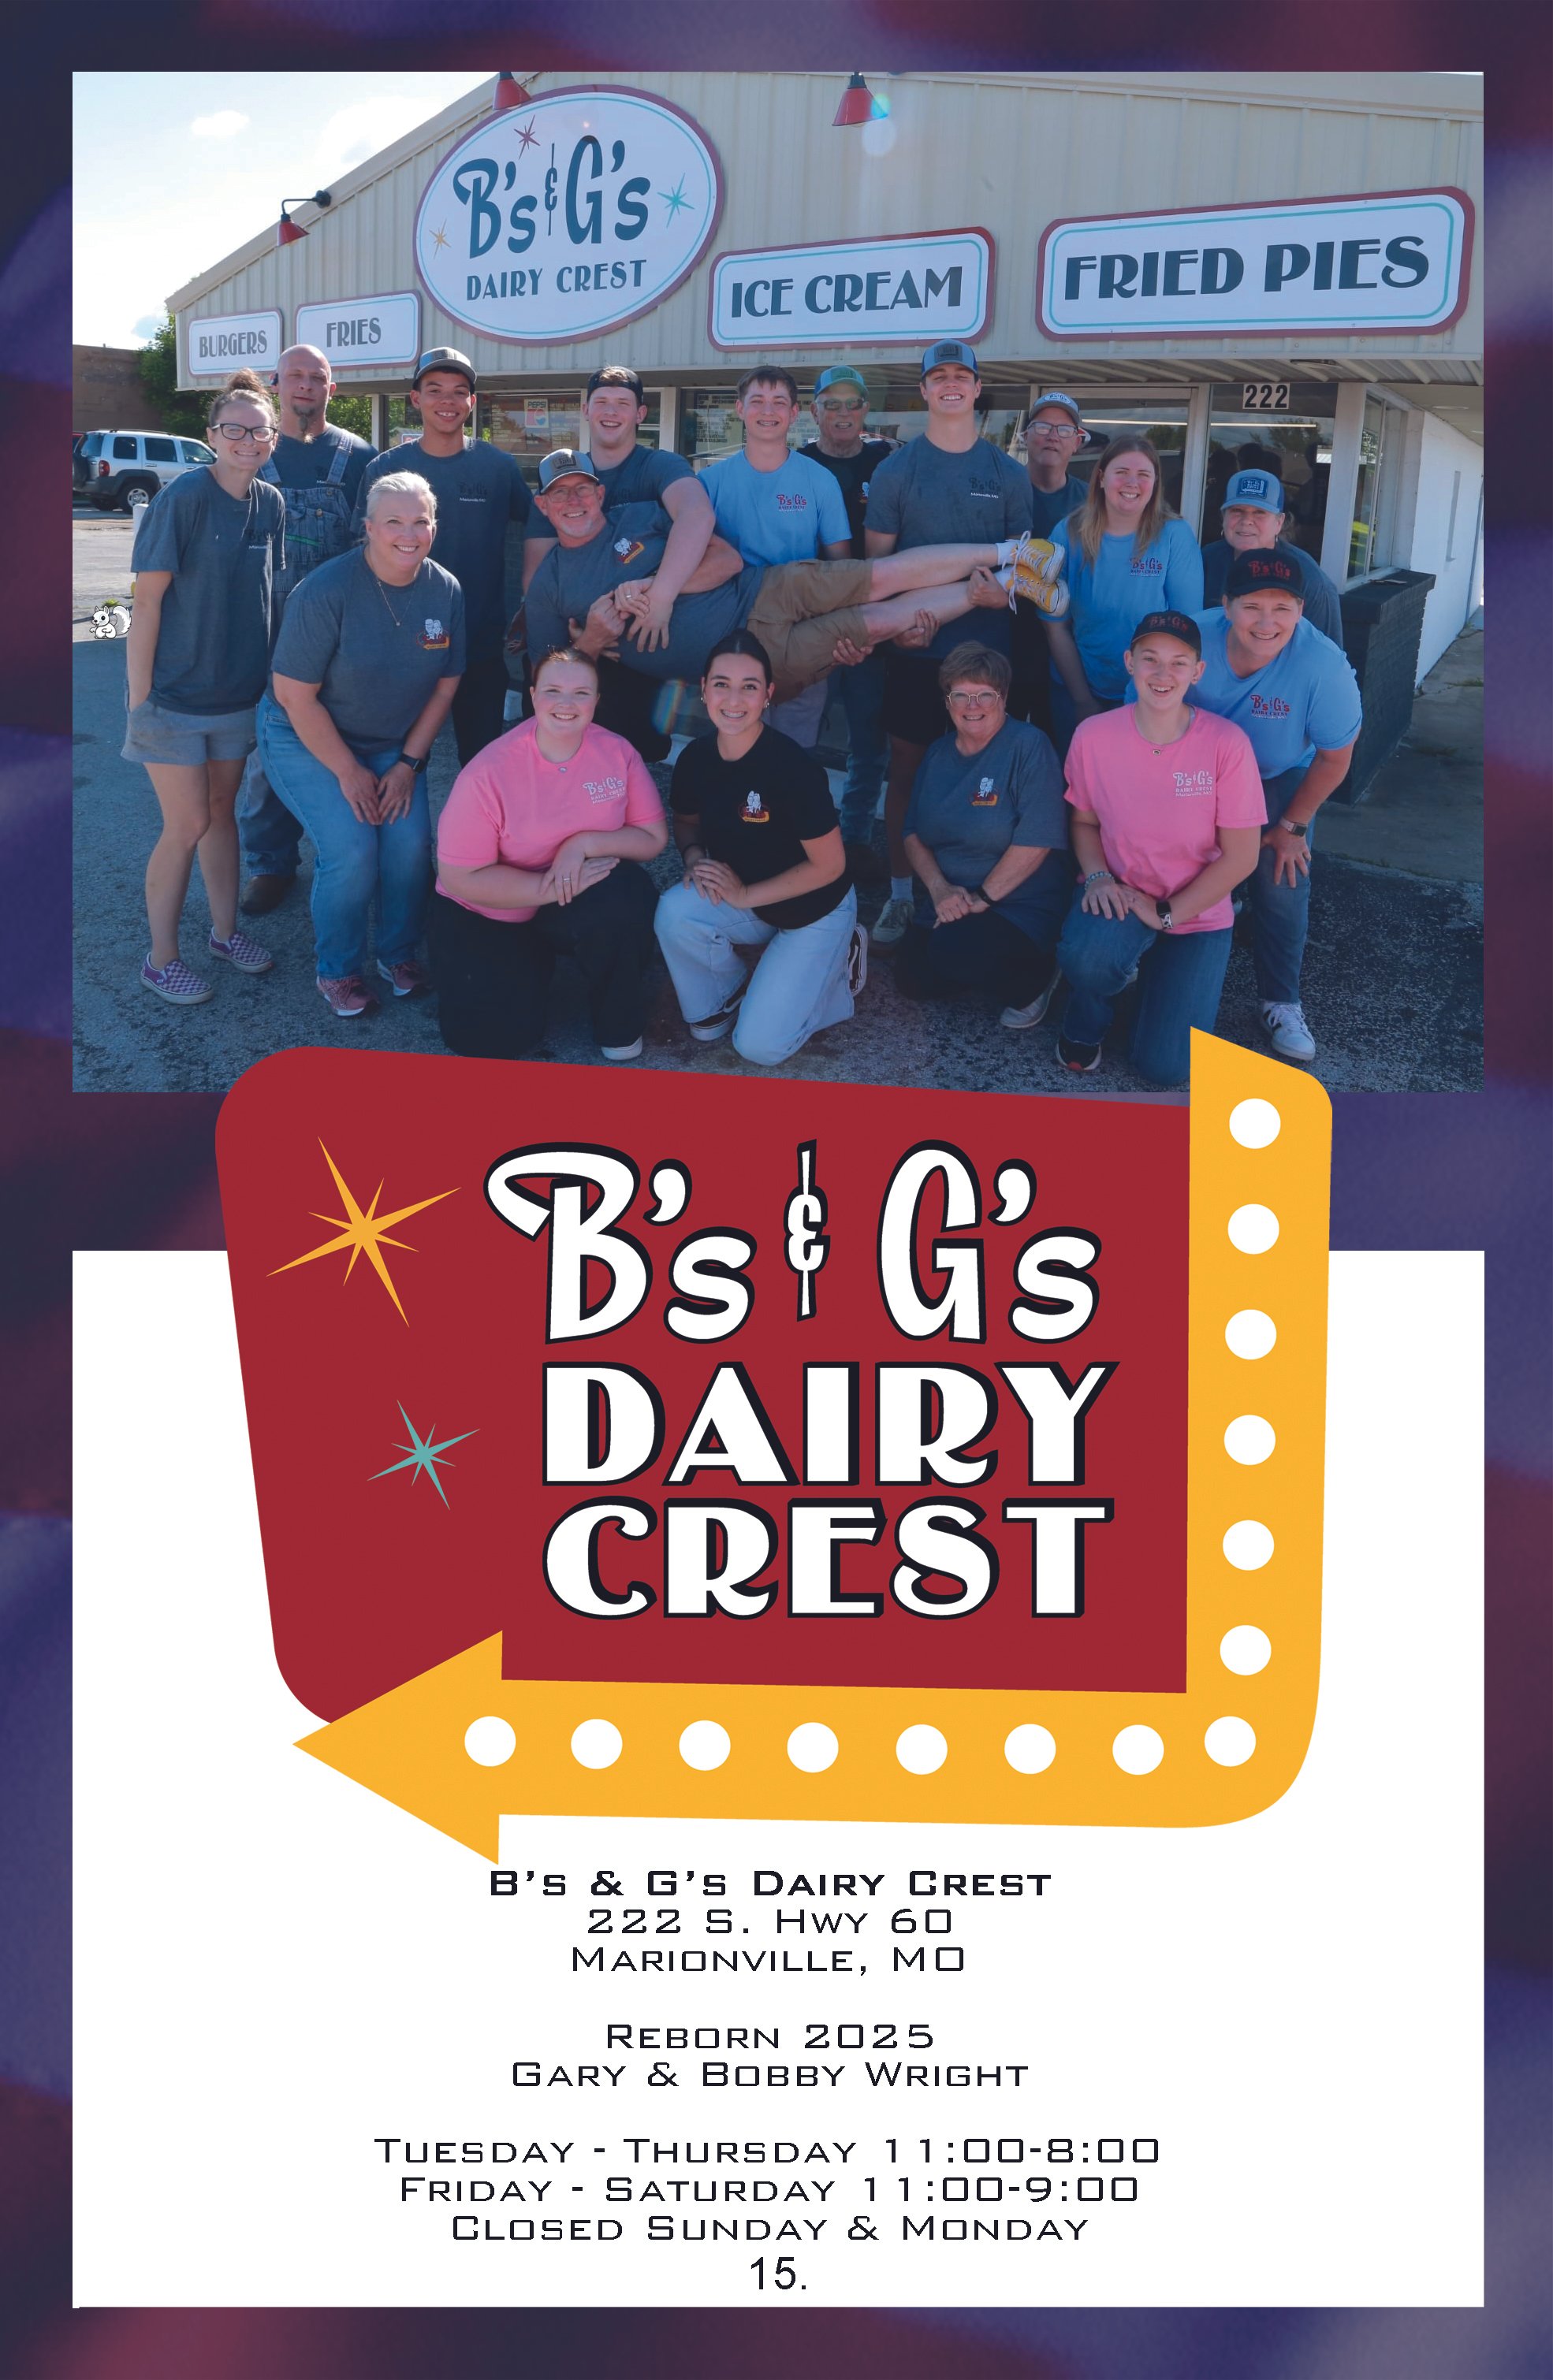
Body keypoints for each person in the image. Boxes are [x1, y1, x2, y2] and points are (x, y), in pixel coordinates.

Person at [522, 448, 1056, 714]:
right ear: (543, 506)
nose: (575, 502)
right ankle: (1010, 584)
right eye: (561, 495)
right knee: (880, 620)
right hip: (751, 662)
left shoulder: (639, 516)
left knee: (881, 577)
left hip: (762, 589)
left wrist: (655, 589)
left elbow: (726, 560)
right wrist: (590, 640)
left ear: (598, 491)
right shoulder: (550, 584)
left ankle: (1016, 551)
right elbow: (545, 674)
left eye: (583, 490)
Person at [257, 471, 464, 1019]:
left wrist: (408, 765)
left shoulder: (445, 588)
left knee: (410, 848)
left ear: (434, 526)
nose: (408, 533)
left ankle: (397, 953)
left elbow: (446, 684)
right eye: (393, 521)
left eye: (420, 521)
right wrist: (349, 772)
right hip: (307, 734)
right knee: (352, 851)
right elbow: (295, 697)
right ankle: (339, 969)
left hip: (393, 743)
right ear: (368, 527)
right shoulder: (326, 591)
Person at [862, 340, 1036, 943]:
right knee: (906, 774)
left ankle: (983, 897)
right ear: (925, 391)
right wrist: (896, 623)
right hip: (915, 653)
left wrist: (1003, 595)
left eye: (962, 374)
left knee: (986, 779)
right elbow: (874, 573)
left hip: (988, 657)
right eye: (940, 376)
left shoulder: (1007, 474)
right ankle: (904, 896)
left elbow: (1030, 568)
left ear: (978, 388)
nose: (952, 384)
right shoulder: (896, 471)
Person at [124, 368, 287, 1005]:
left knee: (223, 817)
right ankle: (161, 958)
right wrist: (140, 702)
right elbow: (148, 606)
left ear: (273, 438)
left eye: (259, 431)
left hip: (237, 700)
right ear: (213, 434)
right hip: (173, 700)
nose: (248, 440)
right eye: (234, 429)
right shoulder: (184, 499)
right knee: (187, 822)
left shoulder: (270, 504)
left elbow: (266, 600)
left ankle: (225, 933)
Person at [1056, 612, 1265, 1087]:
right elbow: (1084, 821)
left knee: (1167, 1069)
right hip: (1121, 894)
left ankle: (1150, 972)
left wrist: (1166, 913)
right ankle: (1085, 1019)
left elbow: (1242, 857)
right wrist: (1097, 876)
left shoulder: (1227, 745)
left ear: (1197, 672)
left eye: (1178, 663)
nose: (1162, 675)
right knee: (1090, 960)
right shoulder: (1093, 735)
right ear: (1130, 663)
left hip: (1196, 913)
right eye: (1149, 660)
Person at [1170, 548, 1362, 1065]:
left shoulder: (1323, 665)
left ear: (1301, 610)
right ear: (1226, 604)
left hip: (1280, 773)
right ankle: (1148, 965)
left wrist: (1292, 826)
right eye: (1253, 605)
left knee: (1282, 876)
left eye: (1283, 607)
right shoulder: (1188, 639)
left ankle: (1281, 1002)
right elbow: (1145, 718)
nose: (1267, 622)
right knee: (1167, 854)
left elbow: (1335, 758)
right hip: (1197, 769)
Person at [430, 645, 667, 1061]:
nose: (566, 704)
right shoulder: (489, 771)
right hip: (491, 906)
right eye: (554, 690)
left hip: (576, 890)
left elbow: (651, 837)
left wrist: (582, 844)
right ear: (534, 695)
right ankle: (524, 967)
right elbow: (460, 877)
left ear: (597, 701)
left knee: (628, 896)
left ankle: (618, 1023)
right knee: (489, 1042)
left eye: (581, 693)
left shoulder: (617, 752)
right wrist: (547, 887)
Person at [654, 631, 865, 1065]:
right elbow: (687, 821)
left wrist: (745, 896)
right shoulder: (695, 757)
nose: (734, 699)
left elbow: (829, 866)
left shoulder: (792, 769)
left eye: (749, 686)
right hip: (747, 897)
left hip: (814, 909)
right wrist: (694, 858)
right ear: (704, 688)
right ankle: (725, 996)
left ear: (768, 695)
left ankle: (839, 968)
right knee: (675, 912)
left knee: (760, 1046)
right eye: (721, 684)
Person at [238, 343, 378, 917]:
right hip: (261, 628)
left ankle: (348, 858)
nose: (305, 385)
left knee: (339, 744)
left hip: (334, 632)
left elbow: (373, 550)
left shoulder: (361, 457)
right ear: (276, 383)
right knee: (263, 755)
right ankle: (270, 866)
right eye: (295, 375)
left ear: (331, 388)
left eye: (316, 377)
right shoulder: (249, 452)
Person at [519, 364, 715, 760]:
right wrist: (582, 641)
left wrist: (658, 596)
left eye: (623, 403)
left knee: (635, 750)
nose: (612, 411)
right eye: (602, 402)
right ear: (586, 411)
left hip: (652, 629)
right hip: (587, 640)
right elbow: (536, 583)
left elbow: (697, 517)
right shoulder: (561, 476)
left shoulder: (658, 466)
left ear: (641, 414)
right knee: (543, 704)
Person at [352, 349, 536, 764]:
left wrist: (534, 599)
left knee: (481, 759)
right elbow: (360, 552)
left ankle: (479, 830)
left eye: (459, 392)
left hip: (480, 641)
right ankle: (400, 829)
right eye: (434, 390)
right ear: (416, 399)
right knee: (398, 760)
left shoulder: (497, 467)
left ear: (473, 402)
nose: (447, 401)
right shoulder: (386, 469)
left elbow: (543, 528)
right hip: (401, 644)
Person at [896, 644, 1072, 1029]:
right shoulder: (938, 754)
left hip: (1020, 903)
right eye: (961, 694)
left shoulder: (1029, 745)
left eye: (985, 695)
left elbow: (1037, 839)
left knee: (953, 950)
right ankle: (976, 957)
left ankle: (1038, 978)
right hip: (955, 900)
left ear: (1003, 698)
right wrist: (941, 890)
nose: (972, 705)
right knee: (911, 978)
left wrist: (982, 899)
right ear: (947, 701)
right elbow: (912, 833)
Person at [698, 366, 851, 750]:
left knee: (794, 753)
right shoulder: (709, 483)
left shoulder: (820, 481)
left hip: (800, 634)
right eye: (758, 401)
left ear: (794, 412)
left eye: (779, 402)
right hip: (731, 631)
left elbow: (840, 570)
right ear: (739, 408)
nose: (769, 410)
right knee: (735, 746)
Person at [799, 363, 897, 879]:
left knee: (867, 742)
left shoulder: (887, 463)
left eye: (851, 403)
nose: (842, 413)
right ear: (814, 411)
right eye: (830, 403)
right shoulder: (795, 465)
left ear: (865, 411)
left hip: (872, 625)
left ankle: (853, 840)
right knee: (799, 736)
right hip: (807, 625)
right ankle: (801, 836)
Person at [1046, 433, 1204, 750]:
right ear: (1102, 477)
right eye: (1121, 472)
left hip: (1151, 695)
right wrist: (1082, 701)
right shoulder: (1068, 533)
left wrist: (1151, 703)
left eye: (1144, 475)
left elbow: (1184, 633)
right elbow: (1055, 627)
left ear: (1155, 484)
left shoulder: (1174, 536)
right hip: (1077, 688)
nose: (1132, 483)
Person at [1007, 390, 1090, 745]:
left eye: (1064, 429)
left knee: (1060, 759)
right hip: (1003, 646)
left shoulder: (1092, 503)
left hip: (1068, 656)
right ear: (1025, 437)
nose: (1053, 436)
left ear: (1078, 443)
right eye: (1042, 426)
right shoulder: (1001, 493)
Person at [1199, 467, 1346, 646]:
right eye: (1237, 510)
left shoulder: (1310, 579)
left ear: (1279, 522)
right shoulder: (1205, 560)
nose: (1247, 521)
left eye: (1260, 512)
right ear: (1223, 516)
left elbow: (1327, 657)